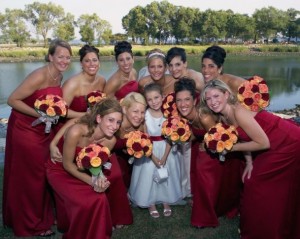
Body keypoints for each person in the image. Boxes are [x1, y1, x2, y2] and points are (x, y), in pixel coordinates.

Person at [200, 79, 300, 239]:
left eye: (216, 96)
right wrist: (249, 162)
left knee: (257, 186)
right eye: (208, 99)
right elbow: (245, 138)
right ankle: (268, 229)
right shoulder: (224, 118)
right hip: (272, 146)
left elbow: (262, 143)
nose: (213, 102)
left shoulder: (238, 111)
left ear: (226, 94)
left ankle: (261, 231)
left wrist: (230, 149)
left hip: (289, 144)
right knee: (258, 184)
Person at [2, 39, 72, 237]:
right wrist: (41, 114)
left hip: (44, 131)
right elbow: (12, 100)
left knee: (43, 175)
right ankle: (30, 223)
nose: (64, 61)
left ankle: (43, 215)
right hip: (25, 130)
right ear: (50, 56)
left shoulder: (59, 75)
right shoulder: (39, 75)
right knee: (31, 177)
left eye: (68, 57)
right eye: (60, 56)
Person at [48, 99, 133, 233]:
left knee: (99, 198)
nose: (114, 126)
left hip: (83, 170)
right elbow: (67, 164)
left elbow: (96, 165)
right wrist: (93, 181)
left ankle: (97, 230)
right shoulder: (77, 131)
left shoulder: (110, 141)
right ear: (99, 118)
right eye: (110, 120)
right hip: (61, 170)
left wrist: (99, 178)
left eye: (118, 122)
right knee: (86, 201)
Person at [174, 78, 242, 228]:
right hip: (210, 148)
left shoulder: (203, 116)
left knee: (203, 171)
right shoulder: (184, 117)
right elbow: (194, 135)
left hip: (221, 151)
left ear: (194, 100)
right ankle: (206, 204)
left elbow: (216, 138)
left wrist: (204, 143)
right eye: (179, 100)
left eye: (187, 100)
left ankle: (204, 217)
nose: (183, 104)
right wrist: (180, 137)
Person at [129, 83, 183, 218]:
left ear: (162, 96)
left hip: (166, 148)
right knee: (149, 174)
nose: (154, 102)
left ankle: (166, 200)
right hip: (149, 150)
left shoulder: (168, 114)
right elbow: (145, 138)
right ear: (146, 101)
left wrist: (164, 156)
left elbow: (172, 137)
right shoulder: (145, 115)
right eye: (150, 99)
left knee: (166, 173)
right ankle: (150, 202)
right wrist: (152, 157)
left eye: (156, 97)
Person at [62, 44, 106, 118]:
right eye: (87, 61)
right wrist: (87, 115)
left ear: (99, 62)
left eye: (94, 60)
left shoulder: (102, 81)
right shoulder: (71, 84)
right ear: (81, 63)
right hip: (72, 123)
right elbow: (62, 111)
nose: (92, 64)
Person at [114, 92, 147, 189]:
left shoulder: (141, 127)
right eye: (135, 111)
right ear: (124, 109)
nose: (139, 116)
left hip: (130, 163)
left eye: (142, 112)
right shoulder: (115, 124)